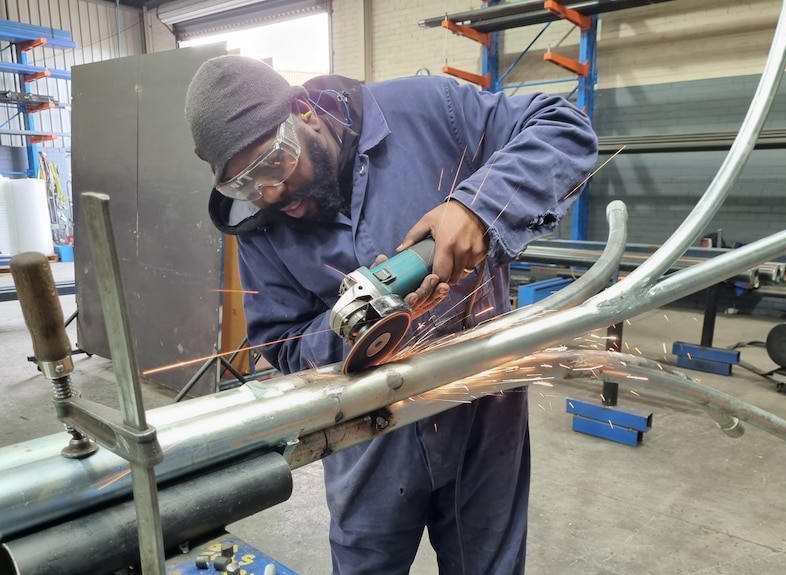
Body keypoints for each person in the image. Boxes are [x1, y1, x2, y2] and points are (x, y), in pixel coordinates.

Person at [185, 55, 598, 574]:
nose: (269, 193)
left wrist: (477, 204)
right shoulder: (261, 225)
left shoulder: (428, 111)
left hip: (483, 413)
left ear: (304, 111)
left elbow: (566, 129)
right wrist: (355, 325)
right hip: (368, 437)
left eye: (274, 164)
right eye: (245, 184)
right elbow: (279, 342)